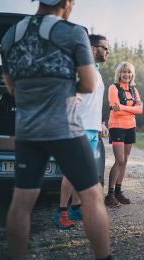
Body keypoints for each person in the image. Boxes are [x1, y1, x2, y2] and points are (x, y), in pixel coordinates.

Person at [0, 0, 111, 259]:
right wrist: (66, 90)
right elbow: (90, 83)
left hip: (28, 131)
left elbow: (12, 88)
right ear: (67, 2)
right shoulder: (72, 33)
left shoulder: (10, 36)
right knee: (92, 194)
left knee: (22, 200)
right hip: (66, 129)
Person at [53, 34, 110, 229]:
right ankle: (61, 212)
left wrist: (101, 122)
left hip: (92, 128)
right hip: (78, 127)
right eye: (105, 48)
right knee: (72, 171)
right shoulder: (79, 68)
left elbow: (93, 101)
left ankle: (76, 208)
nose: (108, 52)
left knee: (84, 171)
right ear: (93, 49)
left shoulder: (97, 71)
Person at [105, 61, 143, 207]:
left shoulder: (134, 89)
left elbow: (140, 110)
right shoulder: (113, 88)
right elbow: (116, 110)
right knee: (119, 160)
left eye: (129, 72)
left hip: (130, 126)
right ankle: (109, 194)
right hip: (116, 126)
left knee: (125, 160)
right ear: (119, 74)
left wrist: (121, 106)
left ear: (132, 74)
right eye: (124, 72)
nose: (126, 74)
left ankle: (118, 192)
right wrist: (131, 108)